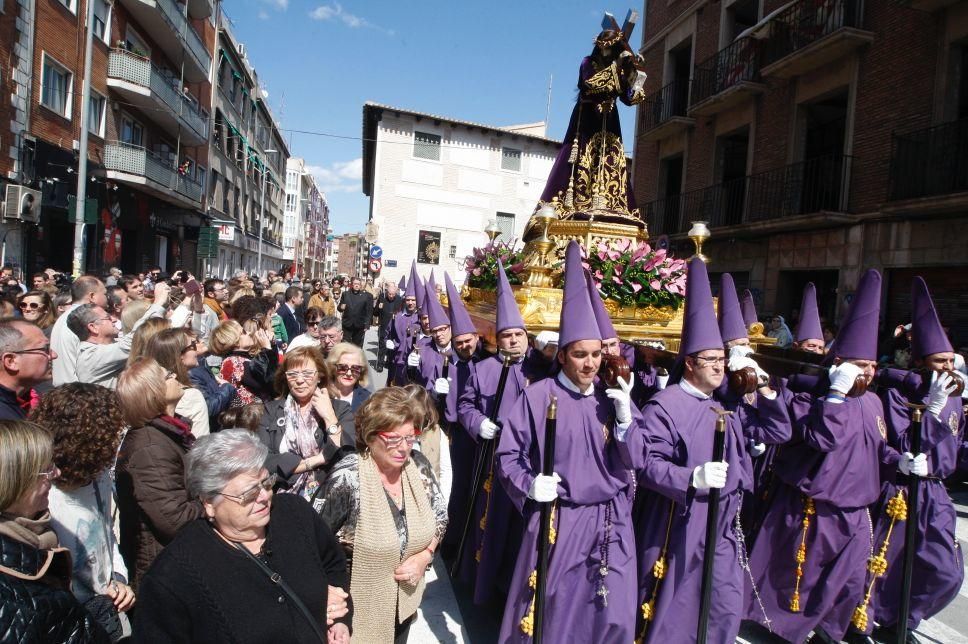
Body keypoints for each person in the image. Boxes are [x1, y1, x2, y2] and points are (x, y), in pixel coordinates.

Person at [632, 258, 790, 644]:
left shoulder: (728, 405)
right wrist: (690, 478)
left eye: (722, 360)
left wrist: (765, 388)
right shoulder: (664, 405)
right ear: (689, 363)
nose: (720, 368)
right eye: (711, 361)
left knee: (723, 601)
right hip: (680, 520)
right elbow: (647, 464)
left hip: (724, 523)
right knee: (677, 606)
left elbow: (777, 430)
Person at [497, 241, 642, 642]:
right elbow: (508, 455)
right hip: (561, 519)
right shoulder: (538, 396)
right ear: (562, 356)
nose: (591, 363)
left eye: (596, 354)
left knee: (611, 610)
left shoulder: (611, 396)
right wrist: (529, 483)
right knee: (552, 610)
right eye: (581, 354)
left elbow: (638, 458)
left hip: (612, 519)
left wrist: (627, 421)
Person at [744, 270, 898, 643]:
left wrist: (901, 460)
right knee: (802, 575)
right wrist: (835, 398)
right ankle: (786, 628)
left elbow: (876, 446)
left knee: (851, 576)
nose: (868, 373)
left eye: (872, 367)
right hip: (815, 503)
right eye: (860, 367)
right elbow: (821, 438)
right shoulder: (811, 397)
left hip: (859, 505)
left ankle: (836, 628)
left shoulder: (874, 400)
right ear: (840, 363)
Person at [133, 430, 351, 643]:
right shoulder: (174, 574)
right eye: (248, 494)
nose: (264, 496)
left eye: (266, 483)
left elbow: (333, 565)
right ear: (209, 502)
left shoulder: (295, 514)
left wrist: (339, 621)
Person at [856, 278, 964, 642]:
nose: (947, 368)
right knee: (886, 561)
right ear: (920, 363)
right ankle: (879, 621)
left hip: (936, 491)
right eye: (939, 361)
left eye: (951, 360)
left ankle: (909, 615)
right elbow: (901, 442)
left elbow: (957, 446)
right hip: (901, 488)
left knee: (944, 568)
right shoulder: (900, 395)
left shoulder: (951, 396)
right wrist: (930, 414)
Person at [314, 386, 448, 643]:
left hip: (404, 606)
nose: (403, 448)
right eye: (393, 438)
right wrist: (329, 602)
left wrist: (424, 556)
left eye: (410, 437)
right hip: (353, 613)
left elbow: (440, 516)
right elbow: (309, 541)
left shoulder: (417, 465)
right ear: (371, 435)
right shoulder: (348, 477)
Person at [456, 259, 546, 602]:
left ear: (527, 337)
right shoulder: (484, 370)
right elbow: (466, 406)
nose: (512, 341)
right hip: (494, 459)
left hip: (531, 462)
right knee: (491, 525)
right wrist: (480, 423)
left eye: (518, 335)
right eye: (506, 336)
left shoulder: (542, 370)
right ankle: (486, 585)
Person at [35, 384, 136, 639]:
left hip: (109, 610)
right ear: (87, 439)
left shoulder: (98, 475)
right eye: (111, 433)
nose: (117, 440)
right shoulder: (42, 497)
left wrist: (118, 578)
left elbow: (105, 534)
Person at [0, 419, 107, 643]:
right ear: (16, 480)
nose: (56, 473)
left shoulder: (36, 538)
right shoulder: (9, 594)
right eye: (46, 469)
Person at [115, 357, 203, 590]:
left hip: (179, 560)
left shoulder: (168, 433)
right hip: (165, 570)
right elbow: (174, 520)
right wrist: (215, 503)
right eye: (168, 375)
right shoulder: (150, 448)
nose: (175, 376)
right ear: (154, 392)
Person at [257, 346, 355, 499]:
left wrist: (329, 416)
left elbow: (348, 456)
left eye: (308, 374)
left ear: (320, 376)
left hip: (328, 495)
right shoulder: (272, 410)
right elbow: (263, 460)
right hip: (283, 495)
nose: (300, 380)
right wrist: (318, 460)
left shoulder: (340, 409)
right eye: (292, 374)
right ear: (285, 377)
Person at [68, 283, 168, 388]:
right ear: (93, 327)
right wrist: (158, 303)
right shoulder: (90, 357)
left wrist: (186, 300)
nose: (114, 319)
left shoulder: (107, 347)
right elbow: (135, 339)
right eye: (108, 318)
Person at [145, 328, 211, 436]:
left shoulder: (148, 390)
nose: (196, 350)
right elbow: (201, 444)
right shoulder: (191, 396)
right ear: (179, 356)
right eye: (193, 345)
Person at [51, 275, 107, 386]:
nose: (107, 298)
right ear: (92, 296)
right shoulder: (78, 319)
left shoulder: (67, 317)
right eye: (104, 294)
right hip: (75, 393)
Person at [0, 319, 56, 420]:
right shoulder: (4, 420)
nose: (54, 355)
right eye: (45, 349)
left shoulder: (26, 400)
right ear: (11, 361)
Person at [386, 263, 422, 385]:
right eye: (408, 300)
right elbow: (387, 334)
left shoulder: (421, 318)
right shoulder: (397, 317)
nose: (410, 303)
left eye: (413, 300)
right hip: (397, 361)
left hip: (414, 364)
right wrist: (388, 342)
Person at [328, 341, 372, 412]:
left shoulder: (368, 400)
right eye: (342, 367)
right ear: (332, 368)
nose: (349, 373)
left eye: (355, 368)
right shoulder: (322, 393)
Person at [375, 280, 403, 372]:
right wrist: (379, 307)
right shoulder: (382, 298)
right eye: (389, 294)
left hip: (395, 327)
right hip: (384, 325)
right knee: (382, 346)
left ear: (396, 293)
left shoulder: (399, 300)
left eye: (393, 294)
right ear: (387, 292)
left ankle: (389, 362)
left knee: (392, 347)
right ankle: (380, 364)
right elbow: (375, 313)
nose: (391, 296)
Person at [338, 277, 373, 348]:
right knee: (345, 346)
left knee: (357, 347)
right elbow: (340, 308)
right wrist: (341, 307)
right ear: (352, 284)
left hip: (359, 325)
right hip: (347, 324)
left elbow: (369, 312)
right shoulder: (345, 294)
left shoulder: (365, 296)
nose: (357, 285)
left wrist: (367, 324)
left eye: (358, 284)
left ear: (360, 285)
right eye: (355, 284)